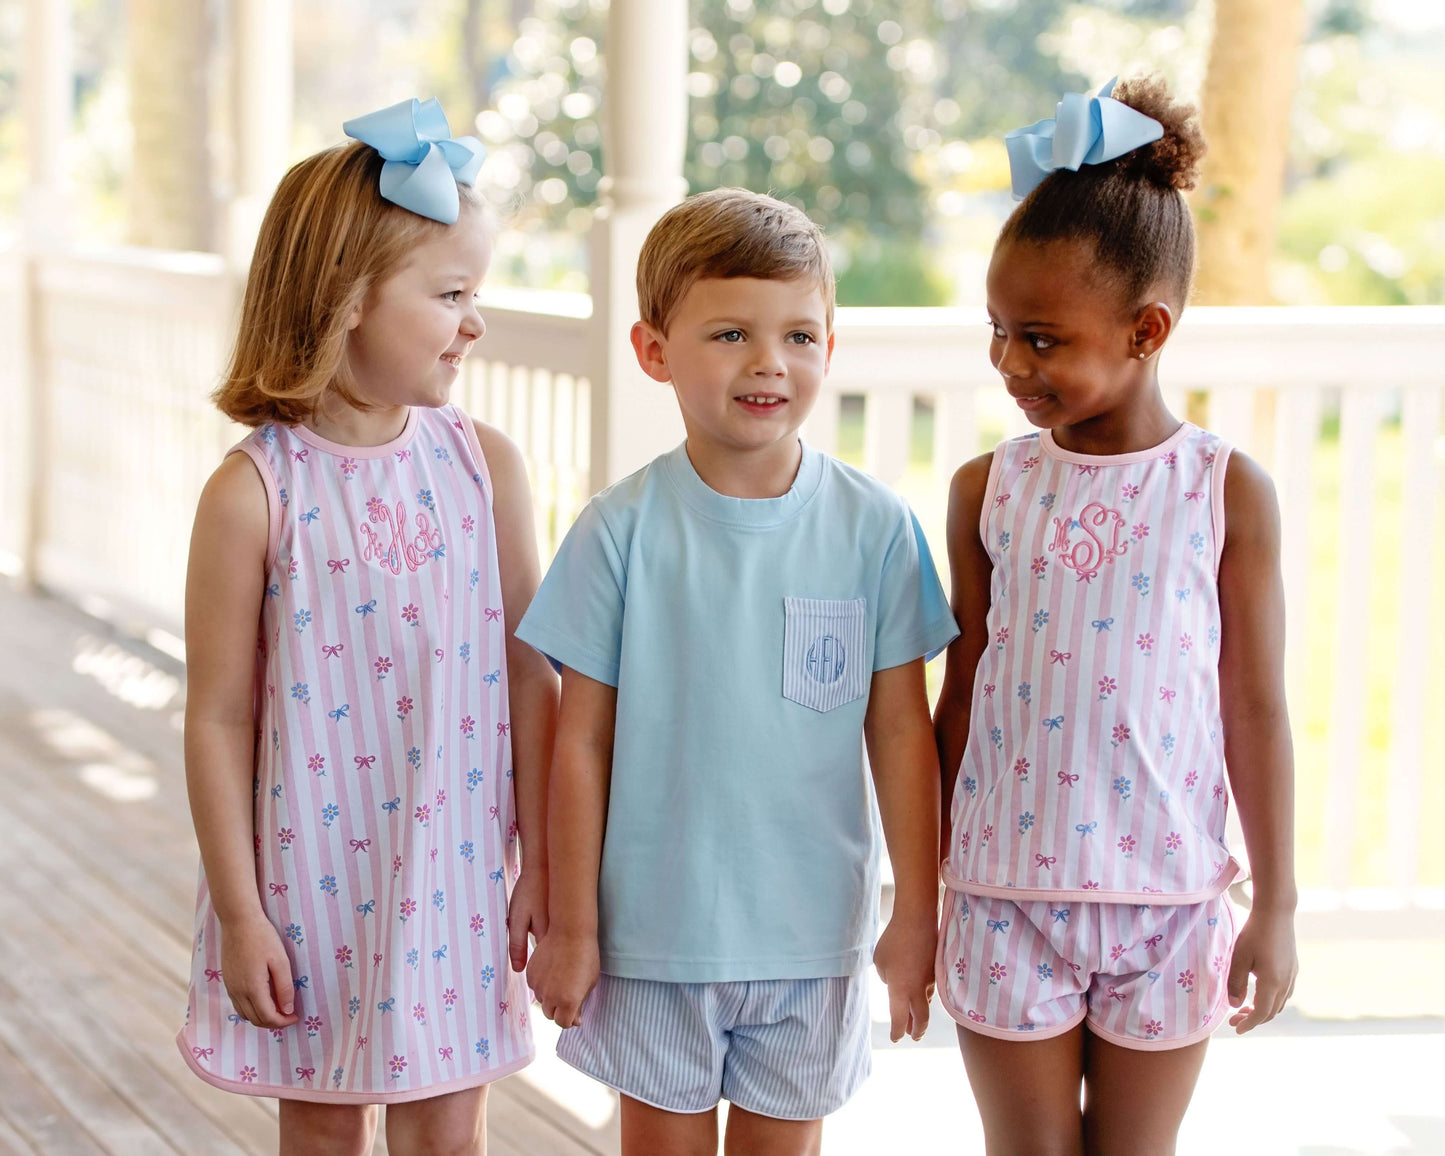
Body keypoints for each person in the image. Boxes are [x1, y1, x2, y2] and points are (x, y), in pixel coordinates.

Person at [519, 188, 959, 1156]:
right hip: (651, 941)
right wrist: (574, 927)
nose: (769, 361)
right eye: (729, 332)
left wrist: (915, 914)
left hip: (813, 940)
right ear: (652, 351)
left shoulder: (874, 529)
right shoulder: (620, 530)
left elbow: (899, 735)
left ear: (830, 346)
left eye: (799, 334)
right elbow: (579, 738)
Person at [176, 98, 556, 1155]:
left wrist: (547, 863)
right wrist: (241, 911)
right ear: (344, 299)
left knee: (448, 1126)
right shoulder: (254, 493)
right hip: (311, 879)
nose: (474, 321)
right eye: (449, 294)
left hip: (460, 868)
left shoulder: (485, 468)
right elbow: (216, 718)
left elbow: (532, 675)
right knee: (326, 1124)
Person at [933, 75, 1299, 1155]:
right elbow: (958, 697)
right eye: (997, 332)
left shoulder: (1223, 491)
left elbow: (1254, 706)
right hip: (1004, 893)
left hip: (1169, 901)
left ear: (1145, 329)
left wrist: (1273, 903)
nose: (1009, 363)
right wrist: (924, 895)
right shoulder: (982, 490)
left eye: (1040, 339)